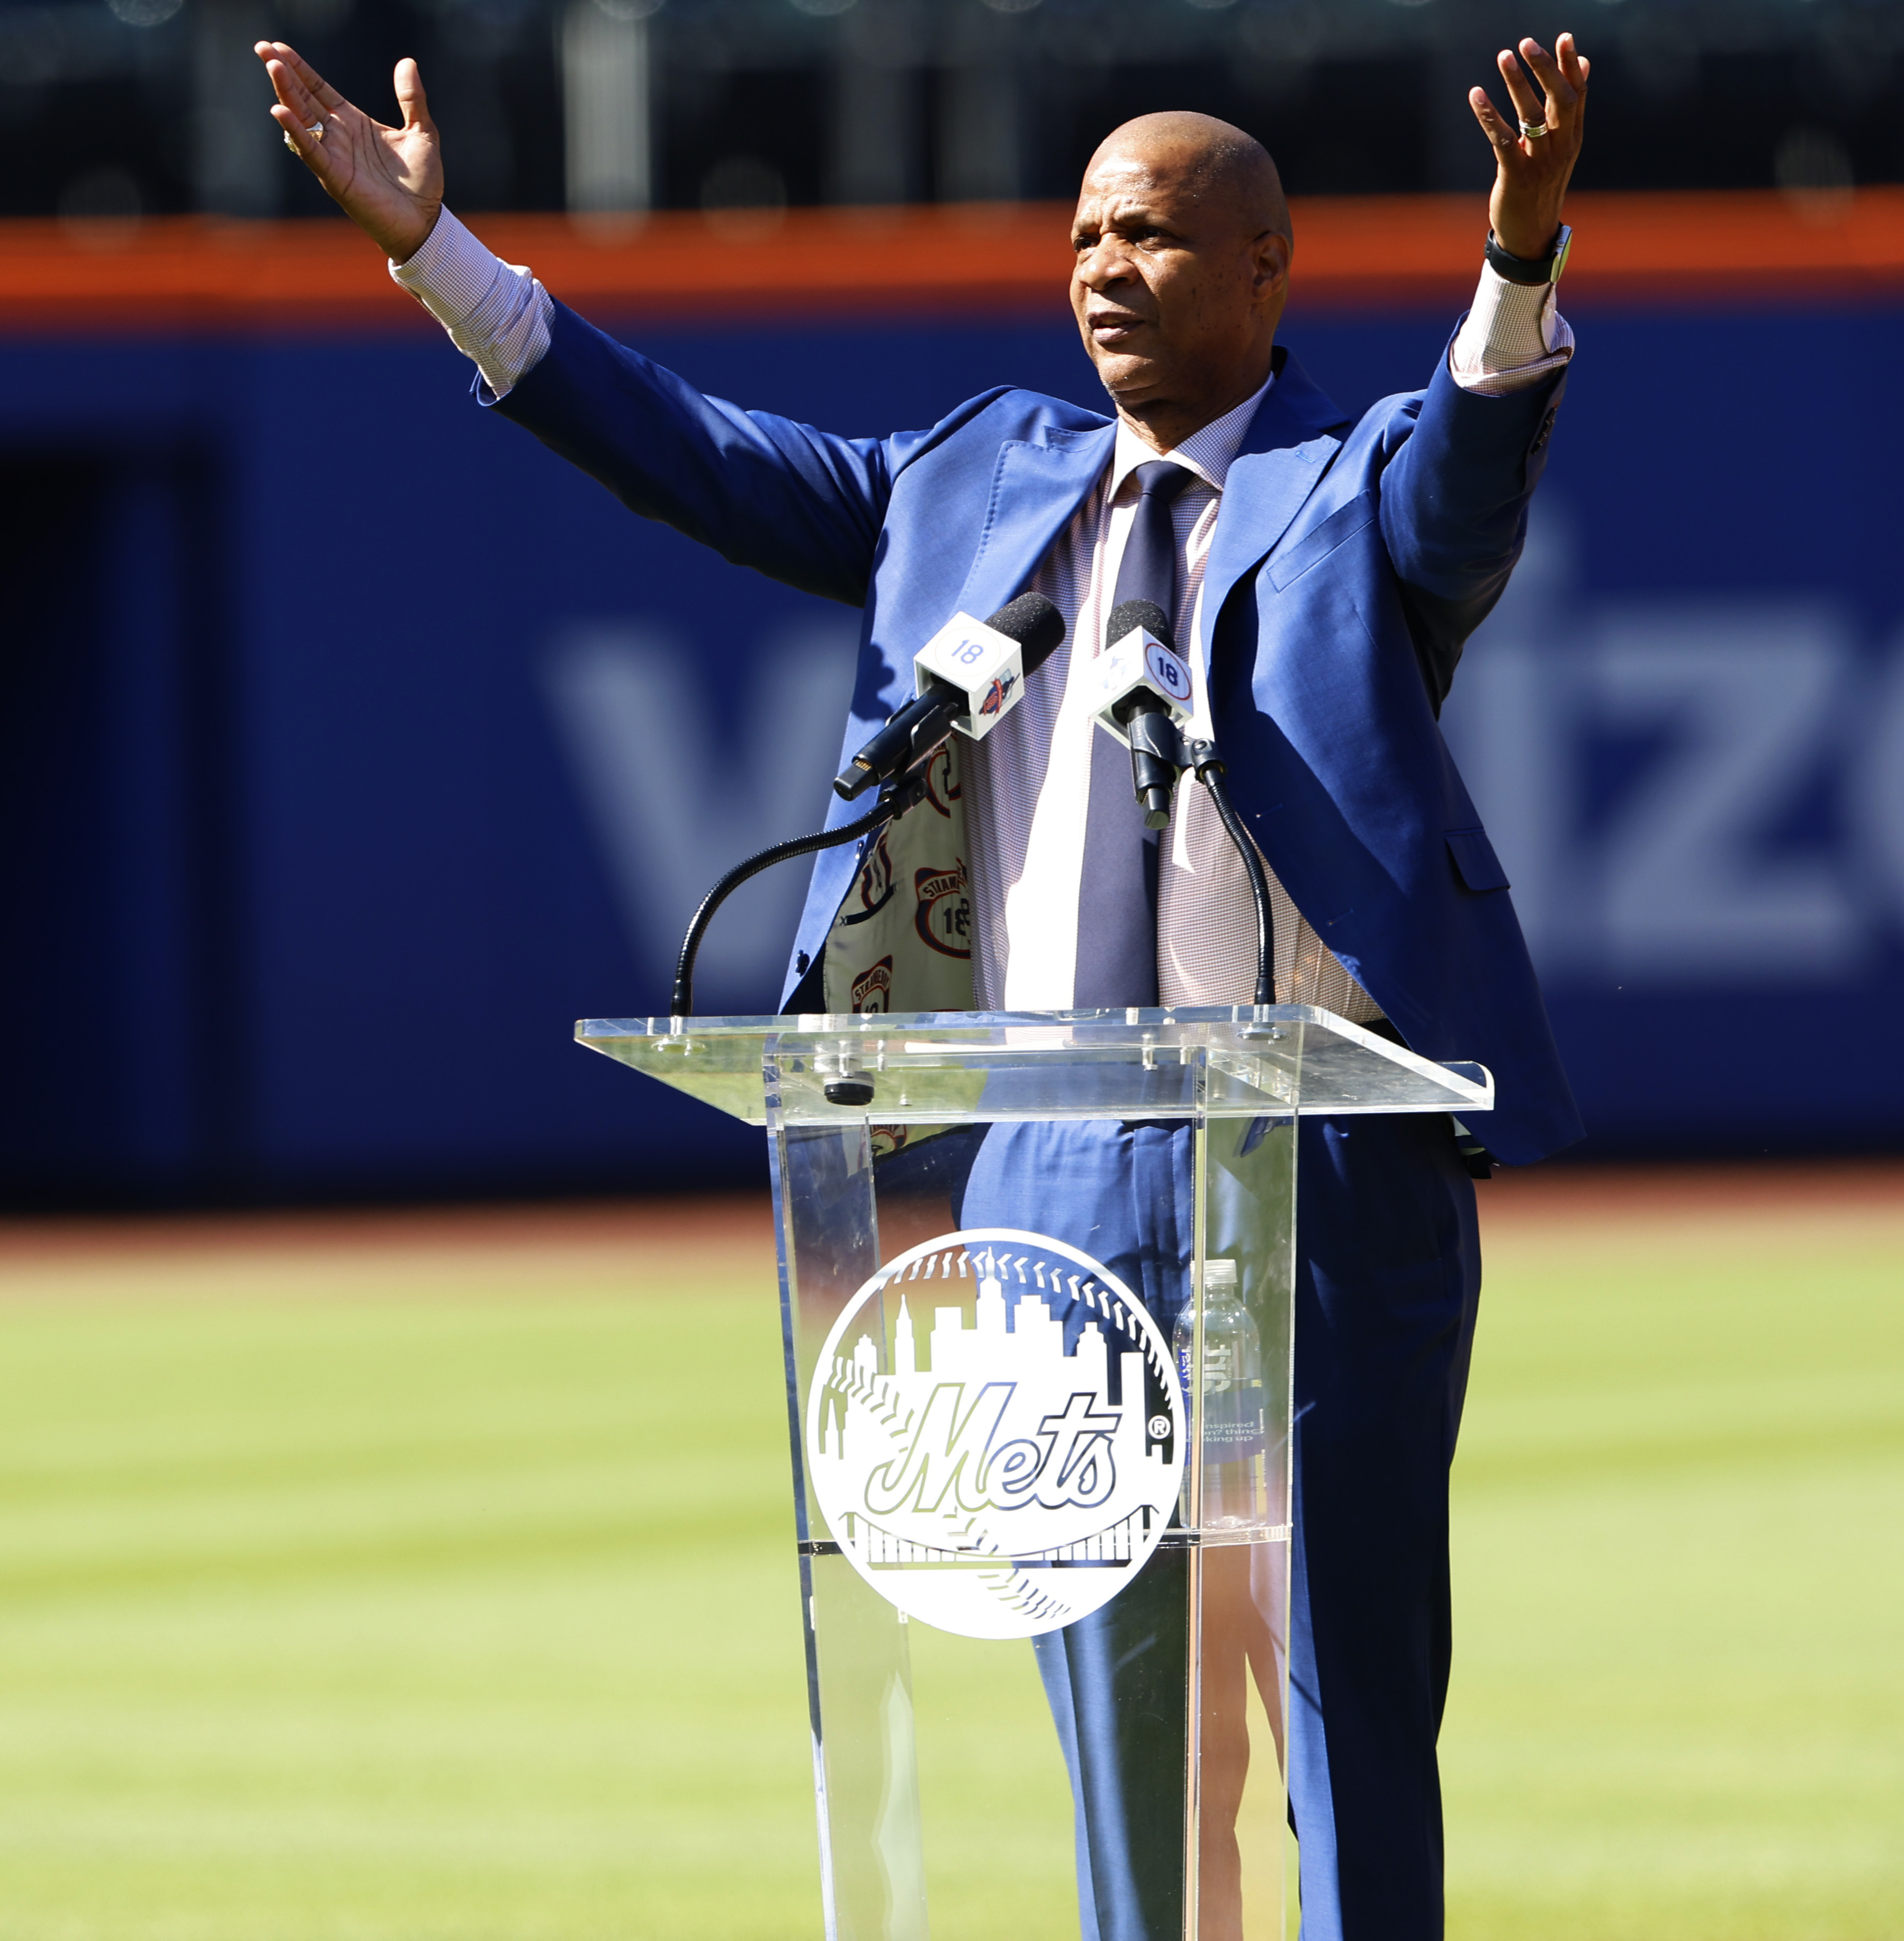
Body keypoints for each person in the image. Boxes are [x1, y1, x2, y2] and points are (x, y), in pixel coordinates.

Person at [259, 30, 1592, 1937]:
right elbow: (696, 459)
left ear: (1263, 268)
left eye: (1151, 236)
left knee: (1343, 1705)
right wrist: (439, 254)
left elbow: (1467, 479)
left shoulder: (1353, 478)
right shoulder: (975, 476)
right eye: (1082, 238)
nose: (1106, 269)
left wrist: (1517, 262)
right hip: (1050, 1173)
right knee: (1123, 1730)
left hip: (1323, 1175)